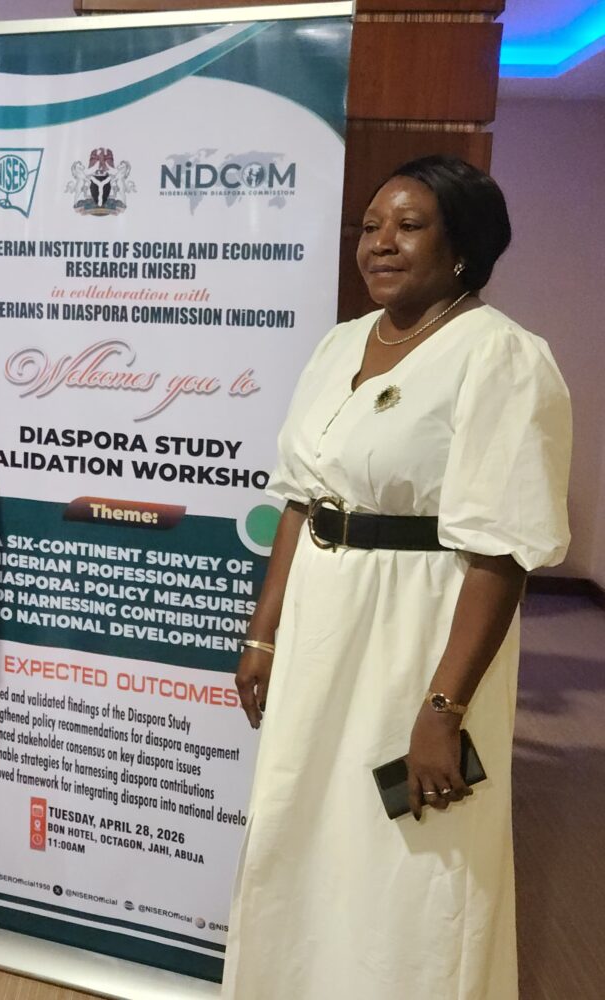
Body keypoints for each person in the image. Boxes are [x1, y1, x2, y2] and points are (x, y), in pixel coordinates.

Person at [223, 156, 571, 1000]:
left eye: (408, 226)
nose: (380, 243)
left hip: (420, 628)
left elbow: (502, 550)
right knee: (301, 825)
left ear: (463, 246)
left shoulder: (501, 357)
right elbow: (301, 499)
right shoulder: (341, 343)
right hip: (321, 620)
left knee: (410, 856)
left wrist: (443, 710)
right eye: (371, 226)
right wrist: (264, 632)